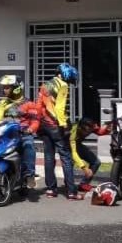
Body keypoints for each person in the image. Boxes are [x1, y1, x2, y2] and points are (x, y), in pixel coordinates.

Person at [39, 63, 79, 199]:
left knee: (49, 157)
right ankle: (71, 191)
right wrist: (64, 125)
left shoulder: (45, 84)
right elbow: (59, 108)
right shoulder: (62, 85)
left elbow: (40, 105)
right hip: (55, 125)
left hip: (44, 125)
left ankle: (51, 189)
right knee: (66, 157)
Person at [71, 117, 110, 193]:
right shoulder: (73, 133)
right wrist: (84, 168)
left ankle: (84, 184)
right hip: (68, 147)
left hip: (78, 145)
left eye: (90, 130)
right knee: (69, 163)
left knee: (96, 162)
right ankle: (69, 184)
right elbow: (74, 153)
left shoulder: (91, 127)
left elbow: (100, 132)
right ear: (80, 128)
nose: (88, 133)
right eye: (86, 131)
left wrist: (107, 129)